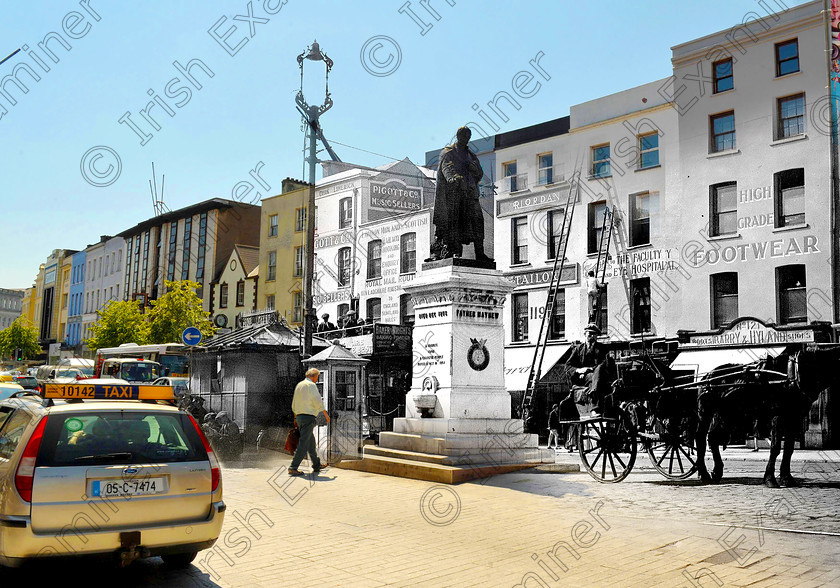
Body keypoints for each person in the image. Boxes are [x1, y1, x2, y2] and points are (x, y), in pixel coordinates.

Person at [430, 126, 492, 262]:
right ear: (458, 136)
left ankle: (480, 253)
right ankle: (453, 252)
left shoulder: (471, 155)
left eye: (468, 137)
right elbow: (446, 167)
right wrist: (452, 177)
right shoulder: (449, 152)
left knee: (477, 222)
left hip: (470, 195)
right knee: (455, 224)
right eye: (463, 136)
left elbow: (480, 173)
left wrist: (474, 168)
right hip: (455, 195)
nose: (465, 139)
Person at [289, 367, 331, 476]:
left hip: (299, 417)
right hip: (308, 417)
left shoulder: (299, 385)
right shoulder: (311, 385)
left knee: (310, 442)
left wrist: (295, 418)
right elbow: (317, 400)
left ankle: (316, 465)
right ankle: (293, 467)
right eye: (317, 377)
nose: (317, 379)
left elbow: (294, 403)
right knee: (304, 443)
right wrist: (325, 414)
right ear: (314, 376)